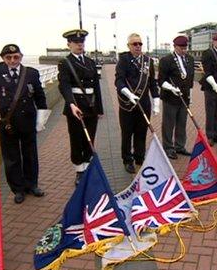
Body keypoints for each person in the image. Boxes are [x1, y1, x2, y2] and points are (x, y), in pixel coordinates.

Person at [0, 44, 47, 204]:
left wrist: (41, 120)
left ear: (21, 57)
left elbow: (40, 98)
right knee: (12, 158)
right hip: (6, 123)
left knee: (30, 155)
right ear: (3, 58)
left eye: (16, 57)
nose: (12, 60)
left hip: (28, 121)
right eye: (8, 57)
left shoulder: (31, 73)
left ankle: (32, 185)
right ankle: (18, 189)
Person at [58, 29, 104, 185]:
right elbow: (64, 86)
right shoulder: (65, 63)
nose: (79, 45)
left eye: (81, 42)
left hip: (91, 106)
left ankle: (87, 166)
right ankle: (79, 170)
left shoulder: (90, 62)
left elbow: (97, 87)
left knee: (89, 138)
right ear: (69, 44)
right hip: (76, 106)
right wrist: (71, 104)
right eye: (76, 42)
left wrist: (100, 108)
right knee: (77, 139)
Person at [115, 33, 160, 174]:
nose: (138, 46)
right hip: (127, 104)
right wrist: (128, 94)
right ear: (128, 46)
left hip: (144, 103)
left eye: (140, 44)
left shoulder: (148, 61)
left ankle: (139, 157)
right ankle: (127, 160)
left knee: (141, 133)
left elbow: (152, 82)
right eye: (134, 44)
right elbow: (119, 80)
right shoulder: (123, 60)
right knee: (127, 133)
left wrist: (156, 101)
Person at [158, 35, 195, 160]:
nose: (184, 51)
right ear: (175, 47)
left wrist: (191, 95)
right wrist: (172, 88)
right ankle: (168, 147)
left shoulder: (190, 59)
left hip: (184, 98)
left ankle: (180, 146)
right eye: (181, 48)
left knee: (182, 123)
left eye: (186, 48)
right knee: (169, 124)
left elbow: (190, 80)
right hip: (170, 98)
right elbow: (161, 81)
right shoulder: (166, 60)